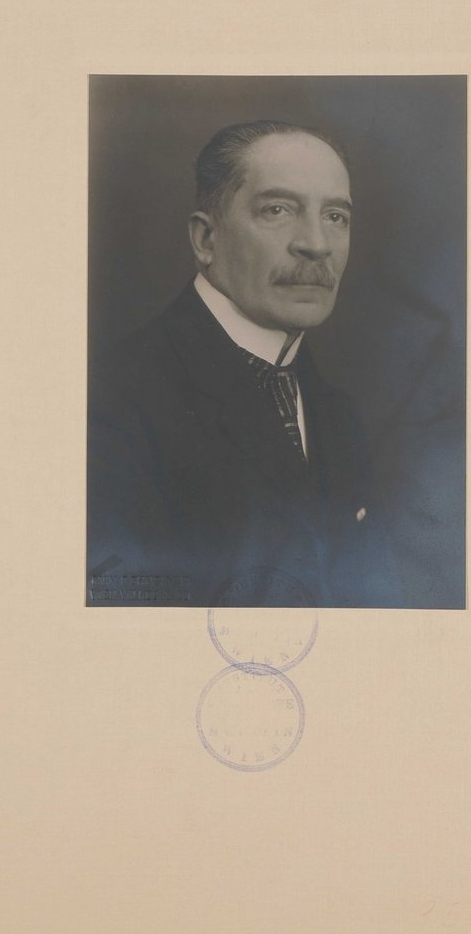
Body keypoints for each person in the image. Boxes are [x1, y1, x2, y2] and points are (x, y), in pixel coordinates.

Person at [86, 119, 403, 607]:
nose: (317, 243)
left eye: (336, 216)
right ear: (206, 239)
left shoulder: (340, 416)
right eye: (277, 210)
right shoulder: (113, 402)